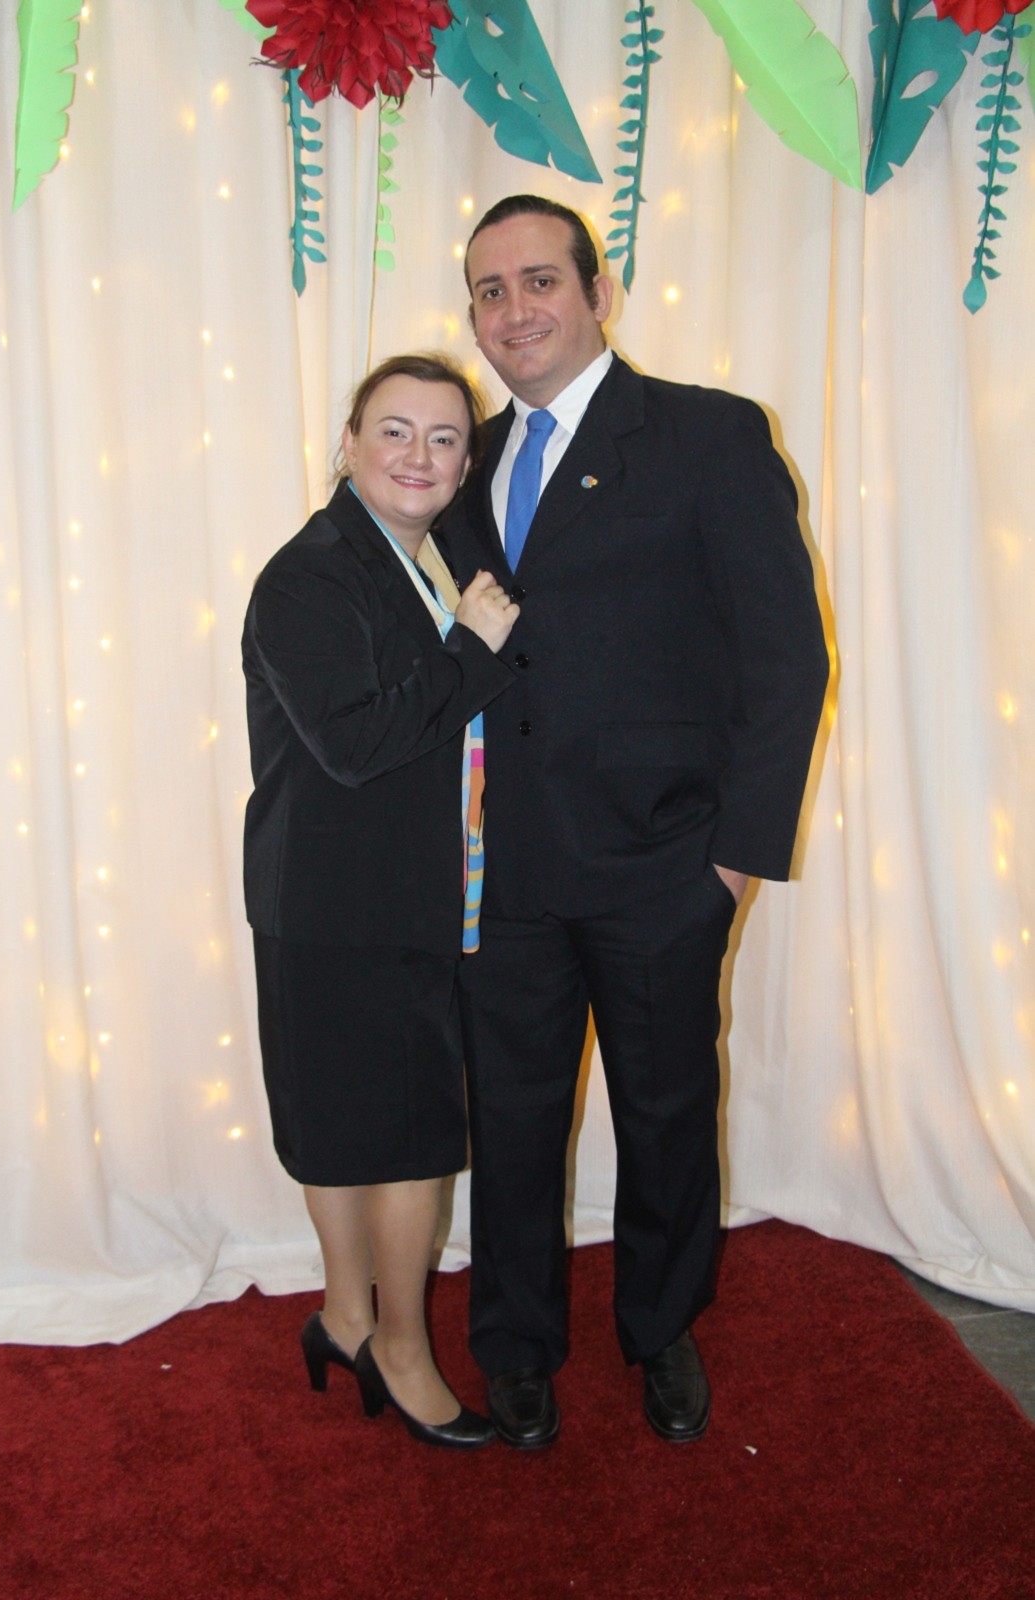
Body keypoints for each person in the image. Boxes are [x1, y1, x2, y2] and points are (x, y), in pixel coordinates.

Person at [441, 195, 830, 1448]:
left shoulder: (709, 436)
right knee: (510, 1120)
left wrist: (731, 862)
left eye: (539, 280)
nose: (515, 310)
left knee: (664, 1114)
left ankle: (660, 1327)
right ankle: (515, 1345)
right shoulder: (460, 464)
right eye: (490, 290)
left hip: (662, 863)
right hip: (503, 872)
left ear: (597, 294)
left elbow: (785, 658)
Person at [242, 352, 519, 1449]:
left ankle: (347, 1319)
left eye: (444, 438)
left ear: (464, 465)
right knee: (397, 1141)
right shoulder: (310, 575)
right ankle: (398, 1349)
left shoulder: (419, 560)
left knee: (363, 1130)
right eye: (394, 431)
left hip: (387, 897)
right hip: (342, 907)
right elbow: (355, 744)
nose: (419, 455)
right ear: (348, 444)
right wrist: (473, 651)